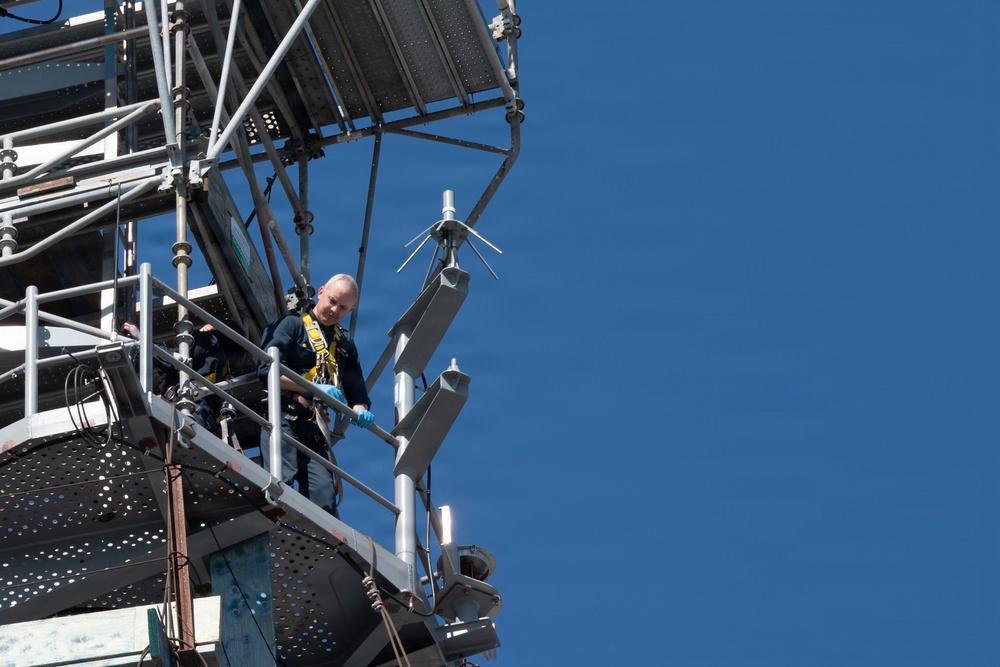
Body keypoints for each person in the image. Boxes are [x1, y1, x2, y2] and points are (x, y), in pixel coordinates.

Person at [257, 274, 374, 516]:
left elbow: (356, 389)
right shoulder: (292, 326)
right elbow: (267, 371)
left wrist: (360, 408)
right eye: (332, 301)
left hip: (314, 428)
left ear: (350, 310)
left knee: (324, 499)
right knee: (281, 481)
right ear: (320, 292)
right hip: (284, 416)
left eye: (343, 307)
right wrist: (312, 388)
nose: (334, 310)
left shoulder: (344, 345)